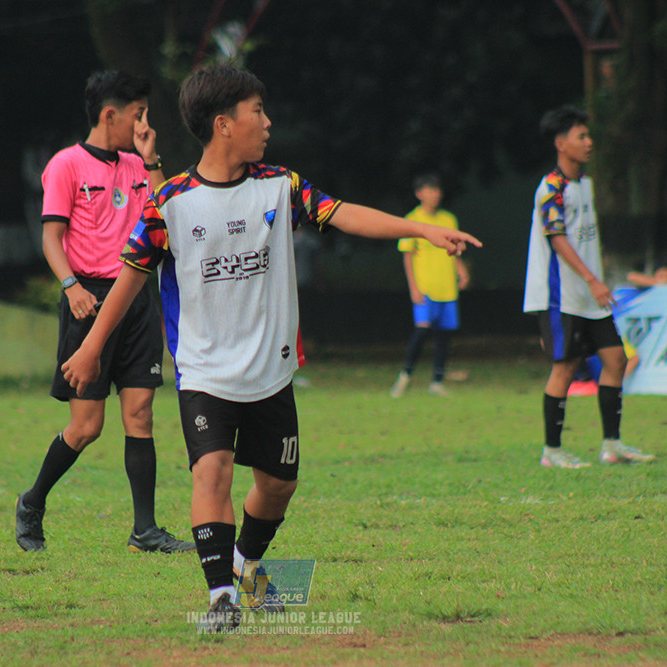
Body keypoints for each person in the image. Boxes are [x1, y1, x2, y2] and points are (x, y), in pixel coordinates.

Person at [60, 65, 481, 632]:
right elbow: (130, 277)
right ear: (223, 124)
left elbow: (343, 212)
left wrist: (422, 230)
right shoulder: (170, 204)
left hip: (271, 370)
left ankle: (246, 563)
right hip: (205, 370)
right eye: (257, 111)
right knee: (213, 471)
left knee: (278, 486)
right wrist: (90, 348)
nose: (268, 122)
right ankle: (221, 599)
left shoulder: (281, 185)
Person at [14, 71, 194, 554]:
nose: (143, 123)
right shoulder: (66, 166)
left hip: (138, 297)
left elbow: (168, 215)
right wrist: (70, 286)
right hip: (88, 298)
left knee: (140, 413)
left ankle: (145, 532)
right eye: (138, 114)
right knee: (88, 426)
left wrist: (152, 157)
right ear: (109, 114)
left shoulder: (139, 166)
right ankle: (32, 502)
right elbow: (52, 237)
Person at [523, 105, 654, 469]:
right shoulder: (552, 187)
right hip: (559, 296)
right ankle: (552, 451)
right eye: (582, 136)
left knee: (616, 359)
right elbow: (558, 239)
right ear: (561, 144)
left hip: (588, 295)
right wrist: (593, 279)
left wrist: (598, 277)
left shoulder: (585, 185)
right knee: (565, 368)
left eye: (588, 135)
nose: (589, 142)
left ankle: (612, 446)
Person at [389, 174, 470, 398]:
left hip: (447, 287)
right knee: (422, 330)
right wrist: (413, 288)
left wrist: (461, 271)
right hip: (425, 287)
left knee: (444, 335)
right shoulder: (412, 220)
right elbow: (407, 256)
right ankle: (405, 375)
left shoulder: (449, 219)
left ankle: (437, 381)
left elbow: (455, 251)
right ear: (419, 194)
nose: (435, 194)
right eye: (430, 190)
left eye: (437, 189)